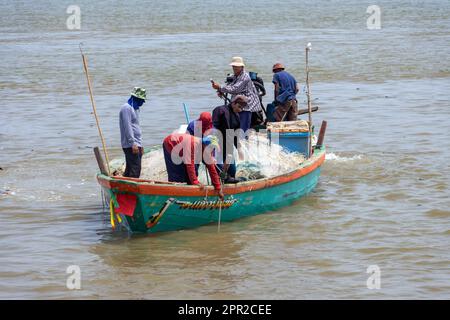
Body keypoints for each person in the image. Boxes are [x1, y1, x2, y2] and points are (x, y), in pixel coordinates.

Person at [162, 133, 224, 200]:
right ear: (205, 145)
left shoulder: (207, 151)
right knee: (177, 176)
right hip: (170, 144)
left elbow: (212, 169)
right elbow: (189, 165)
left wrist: (218, 187)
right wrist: (195, 182)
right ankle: (172, 196)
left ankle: (189, 196)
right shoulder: (193, 144)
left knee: (190, 178)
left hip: (183, 148)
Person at [211, 57, 262, 134]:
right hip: (238, 104)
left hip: (246, 105)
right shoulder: (236, 76)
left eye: (236, 66)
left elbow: (235, 89)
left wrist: (219, 87)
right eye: (233, 66)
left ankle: (243, 141)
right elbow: (230, 85)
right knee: (237, 125)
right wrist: (221, 90)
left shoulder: (245, 77)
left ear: (242, 67)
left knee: (243, 128)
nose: (234, 68)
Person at [212, 95, 246, 183]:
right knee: (217, 168)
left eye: (242, 108)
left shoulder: (237, 117)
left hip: (228, 143)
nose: (240, 110)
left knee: (232, 170)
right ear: (233, 103)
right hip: (217, 141)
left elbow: (236, 134)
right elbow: (213, 128)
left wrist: (238, 148)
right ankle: (217, 183)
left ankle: (228, 183)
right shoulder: (220, 110)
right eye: (239, 107)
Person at [119, 87, 147, 178]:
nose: (143, 102)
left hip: (136, 144)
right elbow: (128, 127)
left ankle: (123, 187)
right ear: (136, 98)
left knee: (130, 169)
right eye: (142, 100)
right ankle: (131, 190)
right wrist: (133, 143)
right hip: (130, 144)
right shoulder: (126, 108)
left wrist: (140, 145)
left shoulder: (134, 108)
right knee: (135, 169)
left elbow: (136, 128)